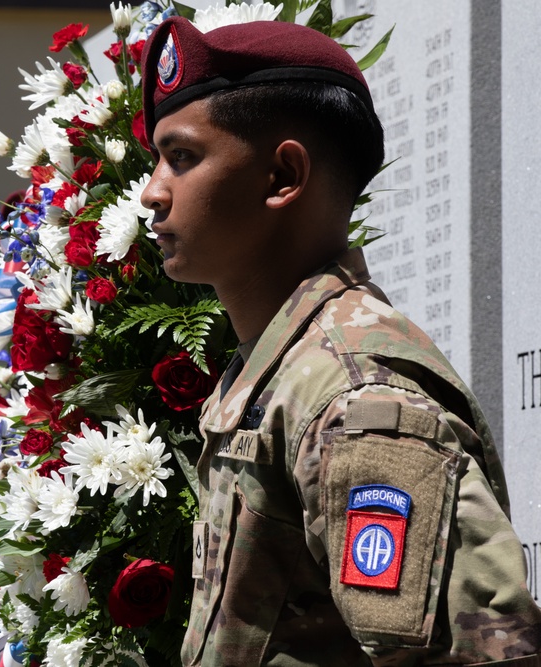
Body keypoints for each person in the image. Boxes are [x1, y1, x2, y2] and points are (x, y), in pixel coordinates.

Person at [138, 16, 541, 666]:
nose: (152, 191)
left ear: (281, 176)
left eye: (182, 158)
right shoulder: (279, 371)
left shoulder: (353, 396)